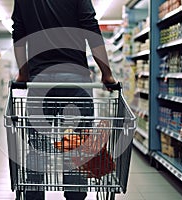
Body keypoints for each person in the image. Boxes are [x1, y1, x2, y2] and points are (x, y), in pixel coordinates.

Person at [11, 0, 117, 199]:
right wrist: (106, 73)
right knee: (75, 144)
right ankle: (75, 196)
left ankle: (34, 196)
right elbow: (90, 28)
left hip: (39, 81)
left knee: (37, 147)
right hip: (75, 80)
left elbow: (19, 32)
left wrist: (23, 74)